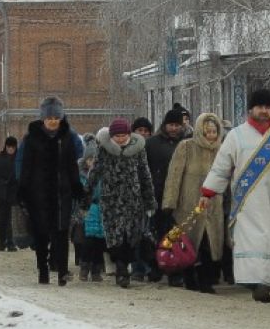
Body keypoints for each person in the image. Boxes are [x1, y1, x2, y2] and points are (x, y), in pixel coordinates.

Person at [201, 88, 270, 303]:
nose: (264, 111)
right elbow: (221, 166)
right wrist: (208, 192)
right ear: (250, 109)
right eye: (259, 107)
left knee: (269, 239)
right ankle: (254, 282)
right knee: (250, 240)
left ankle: (265, 282)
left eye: (267, 107)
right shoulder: (236, 135)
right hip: (246, 200)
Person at [15, 97, 86, 286]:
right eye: (49, 118)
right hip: (38, 193)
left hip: (62, 194)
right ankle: (43, 270)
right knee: (41, 234)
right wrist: (22, 190)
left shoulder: (67, 138)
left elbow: (72, 165)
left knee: (61, 234)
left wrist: (77, 187)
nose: (53, 121)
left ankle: (62, 272)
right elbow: (26, 166)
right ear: (43, 119)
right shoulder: (32, 139)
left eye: (56, 118)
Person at [86, 118, 156, 289]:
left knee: (130, 238)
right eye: (117, 136)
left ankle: (123, 267)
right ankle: (120, 268)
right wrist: (85, 196)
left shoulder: (138, 150)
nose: (120, 139)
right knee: (114, 238)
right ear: (111, 136)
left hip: (133, 201)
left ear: (129, 134)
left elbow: (145, 175)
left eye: (123, 135)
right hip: (111, 201)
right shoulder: (104, 150)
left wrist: (149, 201)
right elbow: (94, 173)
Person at [162, 112, 226, 294]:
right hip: (189, 204)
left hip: (214, 206)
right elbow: (174, 176)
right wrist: (170, 202)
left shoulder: (222, 150)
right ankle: (189, 277)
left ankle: (206, 280)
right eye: (207, 132)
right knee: (189, 242)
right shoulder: (186, 147)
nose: (211, 136)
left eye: (214, 132)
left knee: (210, 243)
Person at [144, 107, 188, 284]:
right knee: (156, 233)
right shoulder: (152, 144)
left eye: (177, 125)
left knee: (175, 235)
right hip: (157, 195)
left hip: (179, 197)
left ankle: (175, 271)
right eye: (171, 125)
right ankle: (155, 267)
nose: (174, 128)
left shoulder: (186, 143)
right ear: (165, 125)